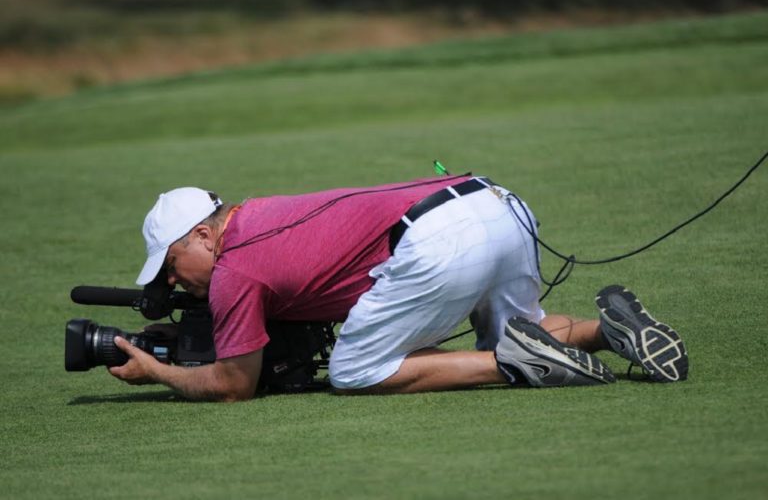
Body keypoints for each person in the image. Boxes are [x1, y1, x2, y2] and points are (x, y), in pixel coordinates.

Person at [109, 175, 689, 401]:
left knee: (355, 369)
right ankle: (609, 332)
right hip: (495, 201)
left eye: (170, 261)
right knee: (523, 326)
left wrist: (157, 370)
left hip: (436, 239)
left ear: (205, 235)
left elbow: (236, 385)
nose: (172, 277)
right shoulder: (261, 211)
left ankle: (513, 364)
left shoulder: (235, 270)